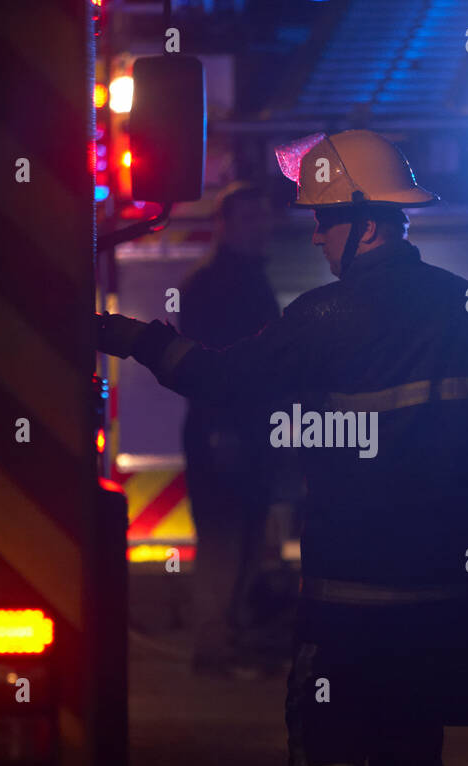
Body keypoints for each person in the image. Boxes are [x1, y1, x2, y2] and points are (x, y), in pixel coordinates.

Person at [99, 130, 468, 766]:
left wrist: (139, 340)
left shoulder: (324, 316)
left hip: (343, 600)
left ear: (367, 225)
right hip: (433, 595)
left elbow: (222, 380)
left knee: (327, 758)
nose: (315, 232)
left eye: (325, 218)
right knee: (409, 757)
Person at [177, 181, 282, 679]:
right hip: (224, 432)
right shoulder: (213, 286)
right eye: (249, 220)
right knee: (223, 538)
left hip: (246, 432)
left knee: (246, 538)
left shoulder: (246, 280)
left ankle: (232, 639)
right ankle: (214, 646)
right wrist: (222, 430)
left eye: (264, 218)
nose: (261, 228)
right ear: (224, 225)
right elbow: (206, 368)